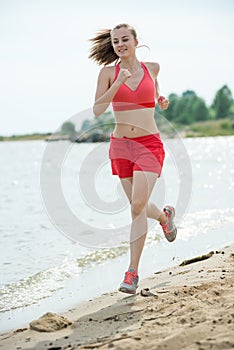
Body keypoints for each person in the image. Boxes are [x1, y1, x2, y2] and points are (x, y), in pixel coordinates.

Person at [89, 23, 177, 294]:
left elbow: (154, 90)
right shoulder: (107, 73)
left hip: (149, 144)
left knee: (137, 206)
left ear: (136, 41)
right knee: (138, 206)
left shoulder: (153, 68)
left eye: (125, 39)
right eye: (116, 42)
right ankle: (164, 216)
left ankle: (132, 273)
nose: (120, 45)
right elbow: (97, 109)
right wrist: (118, 82)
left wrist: (159, 98)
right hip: (121, 146)